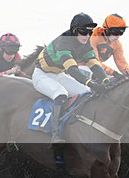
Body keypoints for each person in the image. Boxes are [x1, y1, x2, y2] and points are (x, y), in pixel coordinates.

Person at [33, 13, 110, 144]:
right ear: (74, 31)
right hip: (42, 75)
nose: (86, 36)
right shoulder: (63, 42)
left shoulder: (85, 43)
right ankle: (55, 134)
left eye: (89, 32)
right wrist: (91, 83)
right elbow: (72, 70)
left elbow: (93, 63)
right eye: (83, 32)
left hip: (58, 75)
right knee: (61, 94)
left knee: (86, 92)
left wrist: (105, 80)